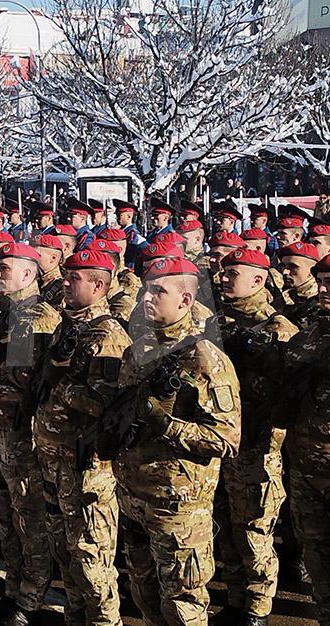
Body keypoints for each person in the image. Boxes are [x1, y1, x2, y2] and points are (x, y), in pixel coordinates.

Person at [114, 257, 241, 626]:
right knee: (145, 597)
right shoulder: (138, 350)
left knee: (183, 606)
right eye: (145, 291)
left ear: (186, 301)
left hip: (178, 507)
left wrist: (165, 424)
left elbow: (226, 439)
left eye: (158, 292)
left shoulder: (205, 358)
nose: (146, 299)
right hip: (135, 498)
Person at [35, 248, 130, 626]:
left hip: (86, 468)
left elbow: (108, 406)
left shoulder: (107, 336)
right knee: (65, 551)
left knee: (92, 558)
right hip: (56, 458)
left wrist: (62, 385)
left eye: (74, 279)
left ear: (98, 285)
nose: (66, 284)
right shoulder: (68, 327)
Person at [0, 243, 60, 626]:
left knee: (29, 516)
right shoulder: (3, 314)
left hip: (21, 435)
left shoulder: (41, 318)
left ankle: (30, 599)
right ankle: (13, 586)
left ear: (28, 274)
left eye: (5, 267)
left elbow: (37, 385)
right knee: (3, 512)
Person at [214, 249, 298, 626]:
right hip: (221, 446)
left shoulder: (278, 330)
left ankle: (257, 608)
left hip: (257, 448)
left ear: (259, 280)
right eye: (223, 272)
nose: (224, 279)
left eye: (233, 273)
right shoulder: (217, 323)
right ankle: (234, 599)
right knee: (227, 531)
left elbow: (288, 398)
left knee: (254, 532)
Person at [283, 254, 330, 625]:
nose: (323, 290)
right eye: (322, 282)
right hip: (304, 464)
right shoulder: (309, 333)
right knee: (315, 551)